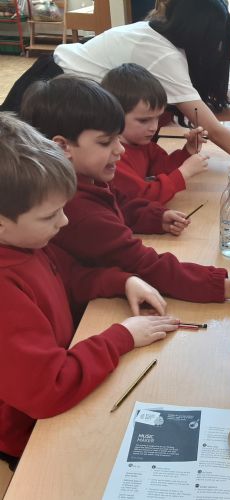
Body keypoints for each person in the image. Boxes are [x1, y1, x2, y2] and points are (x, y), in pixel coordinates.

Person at [0, 113, 180, 467]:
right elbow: (49, 389)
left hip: (63, 384)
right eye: (50, 215)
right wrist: (122, 337)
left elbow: (69, 276)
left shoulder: (25, 243)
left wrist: (121, 280)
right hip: (32, 433)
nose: (64, 221)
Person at [1, 0, 230, 195]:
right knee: (24, 173)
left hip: (58, 78)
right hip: (53, 88)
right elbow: (212, 128)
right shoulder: (165, 55)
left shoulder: (160, 35)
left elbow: (198, 110)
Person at [20, 75, 230, 303]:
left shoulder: (86, 178)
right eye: (105, 142)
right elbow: (145, 265)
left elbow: (120, 203)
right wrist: (228, 287)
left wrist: (156, 218)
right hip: (92, 310)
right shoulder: (79, 210)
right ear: (62, 146)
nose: (121, 150)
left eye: (118, 138)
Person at [101, 63, 208, 211]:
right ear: (113, 115)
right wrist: (184, 173)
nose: (153, 127)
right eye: (144, 120)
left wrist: (188, 150)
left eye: (157, 117)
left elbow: (162, 168)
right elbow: (143, 197)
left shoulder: (143, 144)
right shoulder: (113, 158)